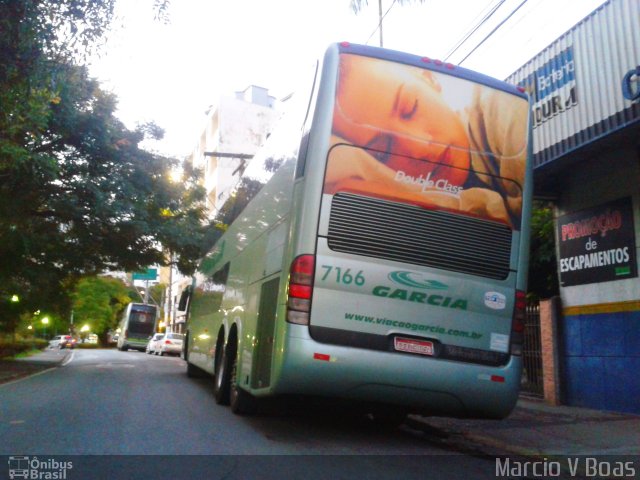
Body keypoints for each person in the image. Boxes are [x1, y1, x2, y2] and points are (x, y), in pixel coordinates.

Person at [324, 53, 528, 228]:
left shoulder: (500, 111)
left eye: (410, 108)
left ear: (429, 78)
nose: (420, 147)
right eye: (383, 151)